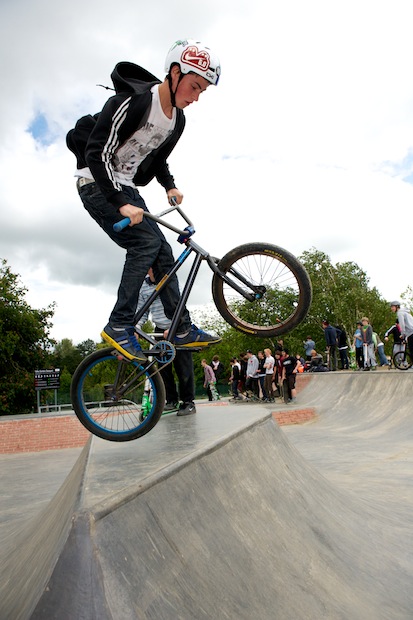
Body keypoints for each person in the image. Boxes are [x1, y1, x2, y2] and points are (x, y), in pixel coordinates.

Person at [67, 39, 222, 362]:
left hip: (127, 189)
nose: (194, 98)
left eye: (201, 93)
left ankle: (180, 327)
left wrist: (169, 185)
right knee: (144, 245)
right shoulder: (132, 102)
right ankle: (119, 324)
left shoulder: (176, 120)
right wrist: (119, 201)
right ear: (175, 73)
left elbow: (156, 156)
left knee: (164, 251)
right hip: (96, 183)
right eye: (193, 87)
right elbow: (97, 152)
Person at [136, 268, 195, 415]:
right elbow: (142, 310)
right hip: (159, 330)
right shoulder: (143, 286)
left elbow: (178, 305)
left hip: (177, 327)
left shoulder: (169, 280)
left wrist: (174, 325)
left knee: (184, 367)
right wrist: (136, 328)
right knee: (163, 368)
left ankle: (188, 402)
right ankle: (171, 400)